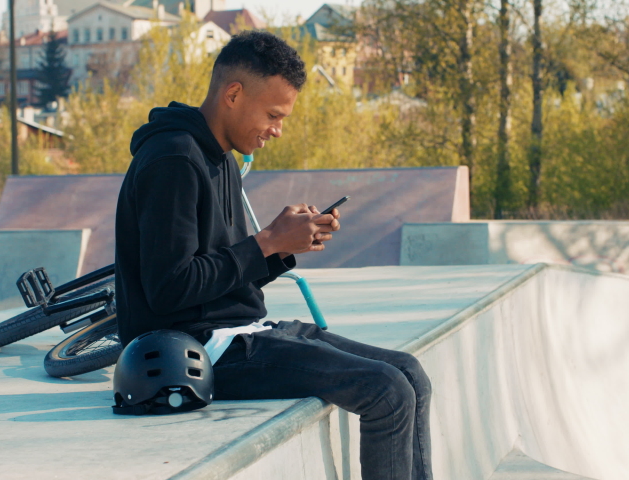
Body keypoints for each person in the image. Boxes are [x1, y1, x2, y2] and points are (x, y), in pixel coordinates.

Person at [114, 30, 432, 480]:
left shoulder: (220, 157)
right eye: (273, 114)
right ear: (234, 93)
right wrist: (266, 241)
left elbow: (221, 275)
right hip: (194, 352)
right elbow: (170, 289)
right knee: (386, 391)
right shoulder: (174, 160)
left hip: (241, 330)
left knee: (410, 373)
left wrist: (280, 248)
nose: (277, 129)